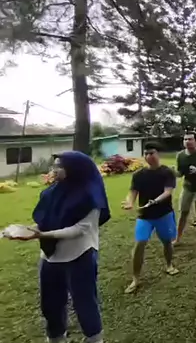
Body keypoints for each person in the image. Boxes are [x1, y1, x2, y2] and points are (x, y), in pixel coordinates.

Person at [9, 151, 111, 343]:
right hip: (50, 255)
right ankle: (55, 337)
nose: (54, 170)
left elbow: (79, 229)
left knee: (84, 302)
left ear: (74, 169)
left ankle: (94, 338)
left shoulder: (90, 196)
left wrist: (41, 235)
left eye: (59, 166)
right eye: (54, 165)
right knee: (50, 303)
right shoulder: (51, 193)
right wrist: (28, 229)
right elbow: (46, 221)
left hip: (79, 255)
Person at [121, 142, 179, 294]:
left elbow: (168, 191)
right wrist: (130, 202)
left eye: (151, 153)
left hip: (164, 214)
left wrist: (156, 201)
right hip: (145, 216)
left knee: (167, 242)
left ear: (158, 154)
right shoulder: (138, 175)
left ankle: (169, 265)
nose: (148, 156)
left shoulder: (167, 172)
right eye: (146, 154)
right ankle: (135, 278)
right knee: (139, 243)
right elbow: (133, 192)